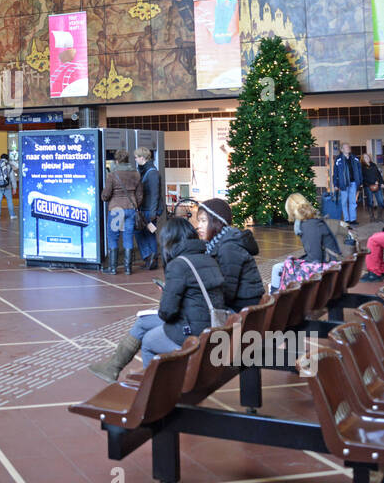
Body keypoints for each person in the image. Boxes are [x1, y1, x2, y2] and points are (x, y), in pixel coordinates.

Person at [88, 216, 225, 381]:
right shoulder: (209, 258)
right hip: (209, 326)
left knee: (148, 341)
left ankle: (153, 393)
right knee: (143, 323)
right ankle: (112, 367)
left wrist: (167, 294)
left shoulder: (179, 265)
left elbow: (167, 312)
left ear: (169, 240)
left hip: (192, 334)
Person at [192, 198, 264, 311]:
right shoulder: (218, 243)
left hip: (243, 309)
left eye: (203, 221)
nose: (199, 226)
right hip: (242, 306)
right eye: (199, 221)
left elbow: (227, 292)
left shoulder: (228, 248)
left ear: (216, 222)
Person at [270, 192, 342, 292]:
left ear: (291, 211)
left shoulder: (309, 225)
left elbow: (314, 259)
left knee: (278, 268)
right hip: (332, 263)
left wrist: (296, 264)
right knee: (282, 267)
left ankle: (276, 300)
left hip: (328, 267)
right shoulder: (313, 220)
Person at [100, 149, 143, 275]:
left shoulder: (112, 175)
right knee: (128, 237)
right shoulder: (136, 174)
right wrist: (135, 204)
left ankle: (113, 268)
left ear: (117, 161)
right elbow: (140, 195)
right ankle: (128, 269)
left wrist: (104, 196)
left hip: (116, 210)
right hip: (131, 209)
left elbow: (106, 195)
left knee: (113, 237)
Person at [135, 147, 163, 270]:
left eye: (136, 157)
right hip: (146, 208)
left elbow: (155, 194)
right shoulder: (147, 171)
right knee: (146, 233)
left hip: (149, 209)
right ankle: (150, 259)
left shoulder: (152, 173)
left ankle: (150, 258)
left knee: (144, 233)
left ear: (142, 158)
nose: (135, 159)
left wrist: (152, 213)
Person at [331, 143, 363, 226]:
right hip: (343, 184)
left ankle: (353, 219)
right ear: (342, 149)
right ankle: (346, 219)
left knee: (353, 202)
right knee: (344, 202)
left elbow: (359, 171)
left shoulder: (355, 158)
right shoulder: (338, 159)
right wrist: (335, 184)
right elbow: (335, 173)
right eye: (346, 147)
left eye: (349, 147)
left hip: (353, 183)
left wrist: (360, 181)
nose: (348, 148)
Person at [0, 153, 16, 221]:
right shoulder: (8, 165)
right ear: (7, 158)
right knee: (9, 201)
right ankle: (12, 215)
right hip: (7, 186)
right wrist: (14, 187)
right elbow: (12, 177)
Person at [360, 154, 384, 221]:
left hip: (377, 185)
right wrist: (373, 182)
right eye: (365, 157)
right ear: (362, 159)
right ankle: (372, 217)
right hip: (367, 186)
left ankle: (379, 217)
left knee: (381, 201)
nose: (367, 158)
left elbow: (379, 174)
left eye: (368, 157)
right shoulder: (362, 167)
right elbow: (363, 177)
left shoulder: (373, 165)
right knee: (370, 202)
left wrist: (382, 182)